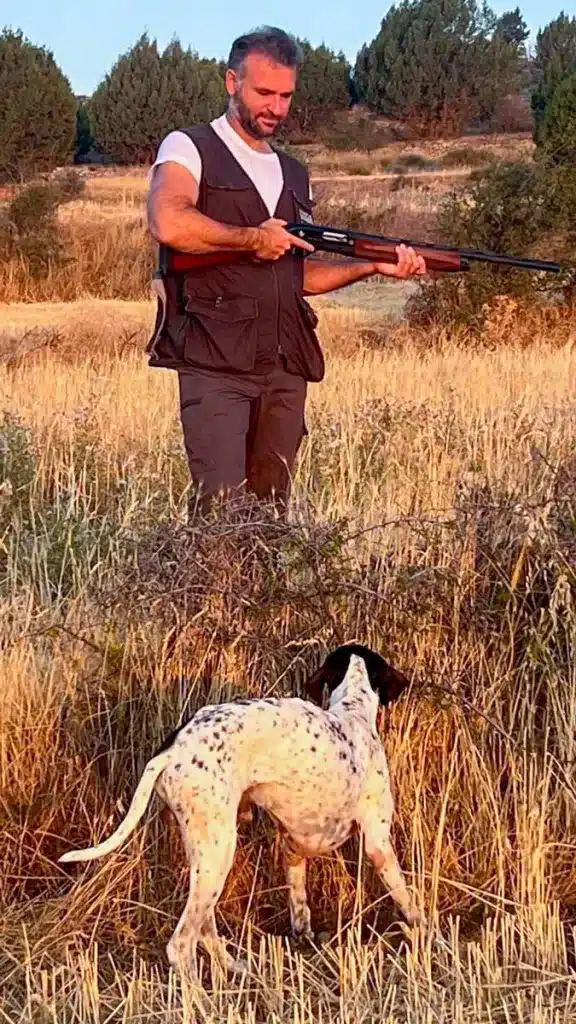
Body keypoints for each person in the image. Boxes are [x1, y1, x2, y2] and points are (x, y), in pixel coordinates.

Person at [146, 26, 426, 514]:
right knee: (220, 514)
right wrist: (255, 238)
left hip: (284, 366)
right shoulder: (188, 147)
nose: (276, 108)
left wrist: (371, 267)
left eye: (286, 96)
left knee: (273, 513)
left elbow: (297, 277)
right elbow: (167, 221)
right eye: (264, 93)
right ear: (231, 82)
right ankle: (211, 594)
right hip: (215, 363)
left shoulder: (294, 172)